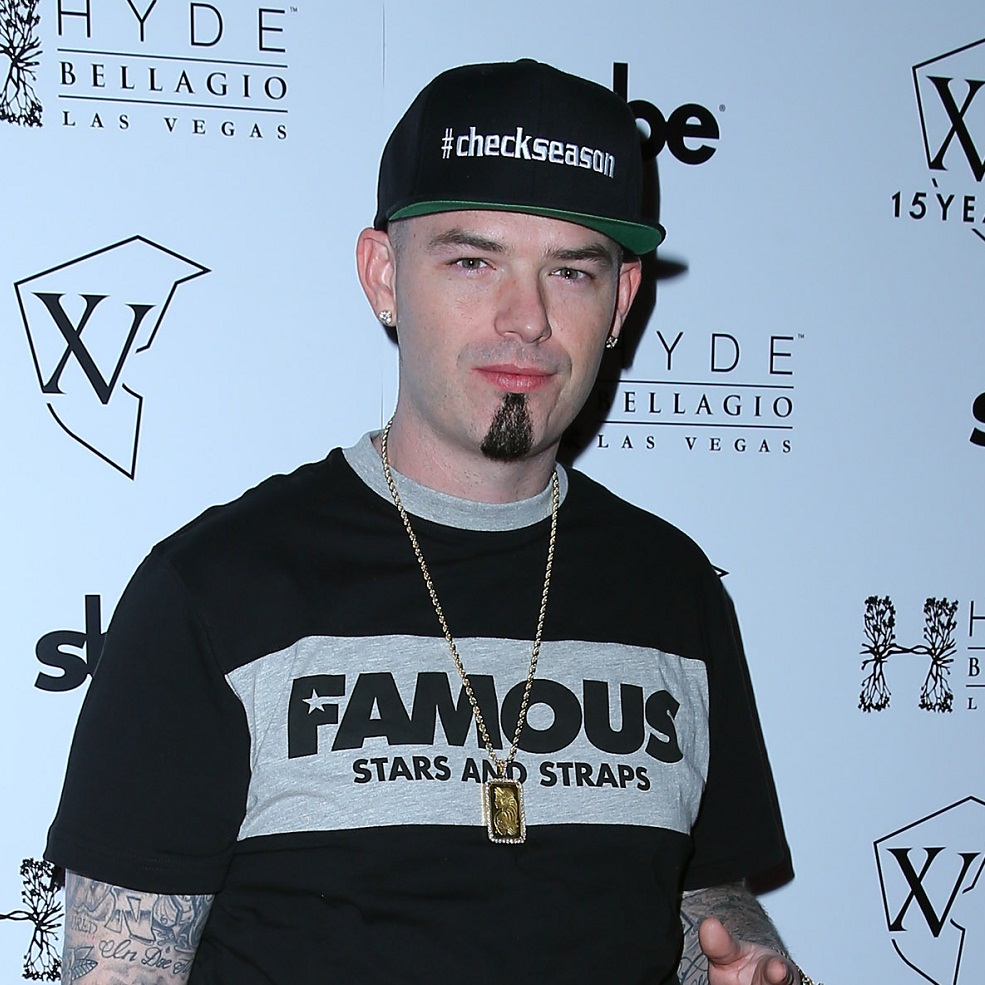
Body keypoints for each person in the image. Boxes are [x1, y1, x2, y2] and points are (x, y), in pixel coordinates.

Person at [45, 59, 819, 985]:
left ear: (620, 299)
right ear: (383, 276)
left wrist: (744, 958)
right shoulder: (216, 589)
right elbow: (118, 966)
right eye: (471, 261)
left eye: (570, 271)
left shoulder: (674, 589)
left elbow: (703, 894)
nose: (525, 319)